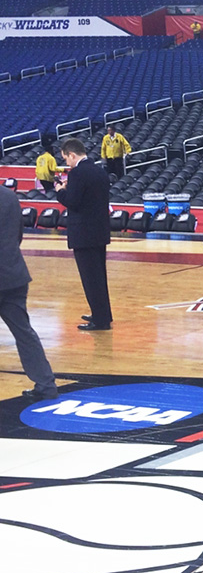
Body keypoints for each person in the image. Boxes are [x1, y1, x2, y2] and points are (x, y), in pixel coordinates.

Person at [0, 179, 59, 400]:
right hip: (13, 273)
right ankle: (46, 384)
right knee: (24, 333)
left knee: (24, 332)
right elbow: (18, 234)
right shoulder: (8, 196)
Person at [55, 137, 113, 331]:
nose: (66, 163)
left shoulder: (78, 174)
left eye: (66, 159)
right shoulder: (99, 171)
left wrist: (60, 191)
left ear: (72, 154)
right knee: (99, 276)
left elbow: (73, 202)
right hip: (99, 231)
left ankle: (100, 320)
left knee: (90, 278)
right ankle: (102, 313)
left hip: (84, 234)